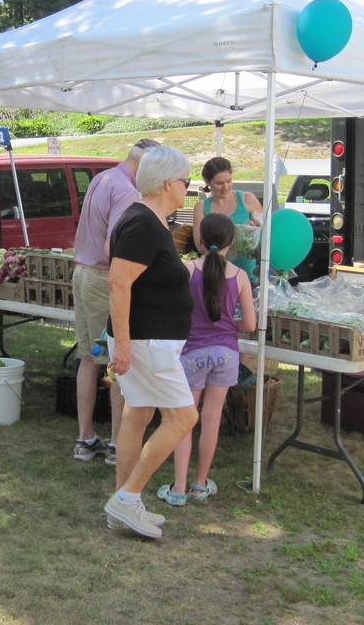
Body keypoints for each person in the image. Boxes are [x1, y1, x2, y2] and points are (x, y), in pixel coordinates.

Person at [103, 145, 199, 539]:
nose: (189, 188)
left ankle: (123, 502)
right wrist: (123, 345)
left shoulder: (148, 219)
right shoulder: (142, 221)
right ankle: (127, 499)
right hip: (147, 342)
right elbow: (118, 282)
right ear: (166, 184)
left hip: (148, 340)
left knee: (137, 415)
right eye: (186, 182)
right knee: (183, 418)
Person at [157, 213, 256, 508]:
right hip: (226, 353)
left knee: (185, 420)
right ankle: (200, 486)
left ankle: (178, 488)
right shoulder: (240, 276)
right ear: (232, 242)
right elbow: (250, 324)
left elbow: (171, 309)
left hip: (192, 354)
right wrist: (228, 325)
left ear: (199, 240)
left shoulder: (187, 270)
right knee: (211, 420)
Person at [70, 138, 159, 466]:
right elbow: (115, 248)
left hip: (82, 273)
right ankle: (117, 444)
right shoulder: (126, 191)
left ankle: (85, 438)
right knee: (117, 361)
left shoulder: (103, 177)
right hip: (103, 279)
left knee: (88, 358)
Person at [192, 156, 263, 281]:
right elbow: (201, 247)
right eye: (219, 183)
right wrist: (239, 233)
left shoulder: (248, 199)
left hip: (247, 276)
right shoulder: (201, 207)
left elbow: (264, 235)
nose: (226, 187)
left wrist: (253, 231)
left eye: (229, 181)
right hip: (215, 277)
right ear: (207, 182)